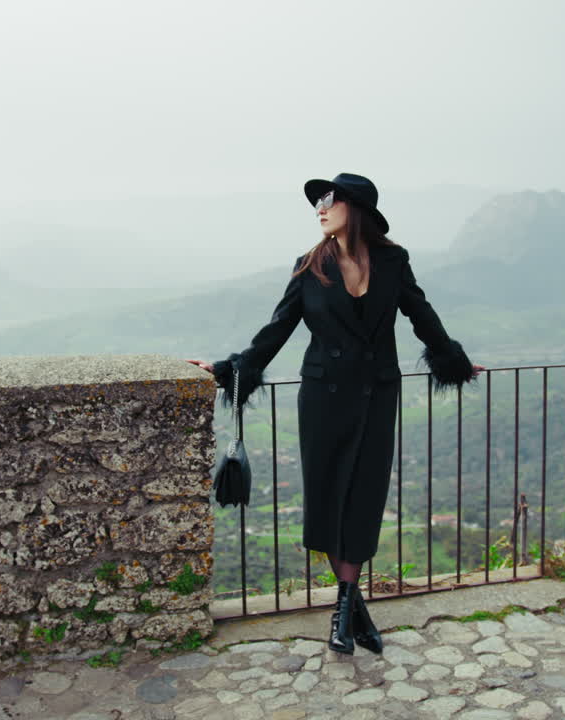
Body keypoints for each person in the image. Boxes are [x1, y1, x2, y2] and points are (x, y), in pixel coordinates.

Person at [187, 172, 482, 655]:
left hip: (377, 396)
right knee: (328, 499)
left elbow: (421, 314)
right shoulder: (310, 266)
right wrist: (228, 369)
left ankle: (345, 609)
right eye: (317, 202)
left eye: (328, 200)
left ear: (355, 206)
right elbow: (277, 329)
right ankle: (350, 610)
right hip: (323, 398)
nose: (319, 208)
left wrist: (453, 360)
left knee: (364, 499)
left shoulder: (392, 260)